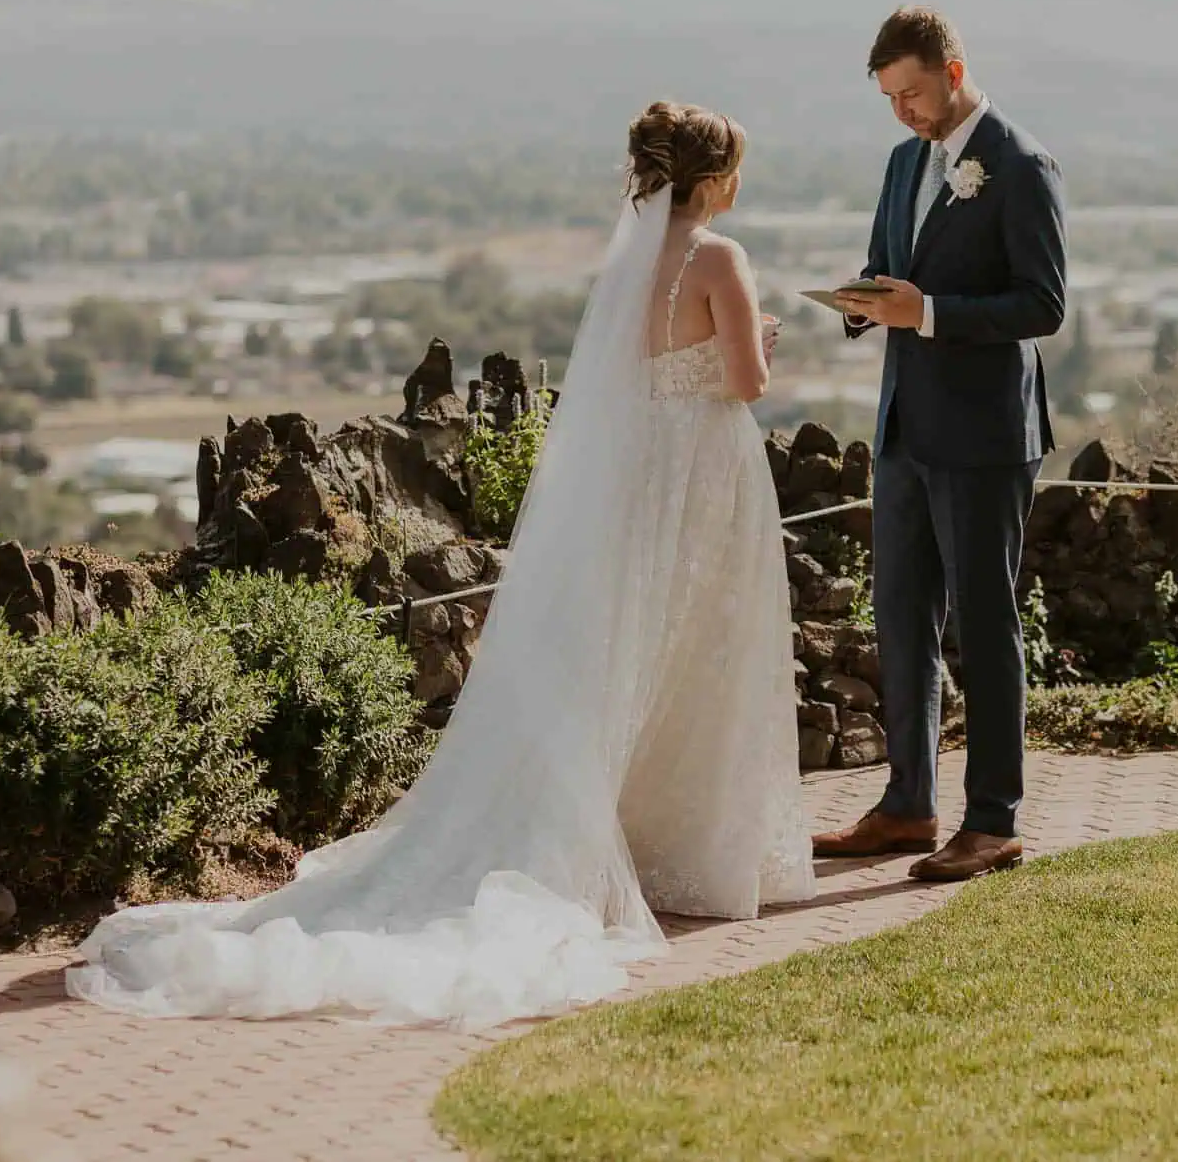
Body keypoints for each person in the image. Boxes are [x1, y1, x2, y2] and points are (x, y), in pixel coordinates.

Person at [66, 102, 814, 1031]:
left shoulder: (632, 263)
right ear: (714, 177)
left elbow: (631, 379)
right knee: (707, 647)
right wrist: (763, 345)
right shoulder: (720, 258)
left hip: (640, 480)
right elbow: (744, 382)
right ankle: (696, 847)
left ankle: (639, 833)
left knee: (623, 653)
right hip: (706, 470)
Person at [815, 6, 1068, 882]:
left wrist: (923, 313)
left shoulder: (1021, 163)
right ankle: (907, 804)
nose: (902, 113)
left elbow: (1043, 305)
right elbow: (892, 264)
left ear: (953, 74)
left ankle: (993, 818)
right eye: (889, 98)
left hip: (985, 432)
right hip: (903, 428)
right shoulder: (900, 164)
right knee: (899, 618)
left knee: (985, 619)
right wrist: (862, 304)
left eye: (912, 93)